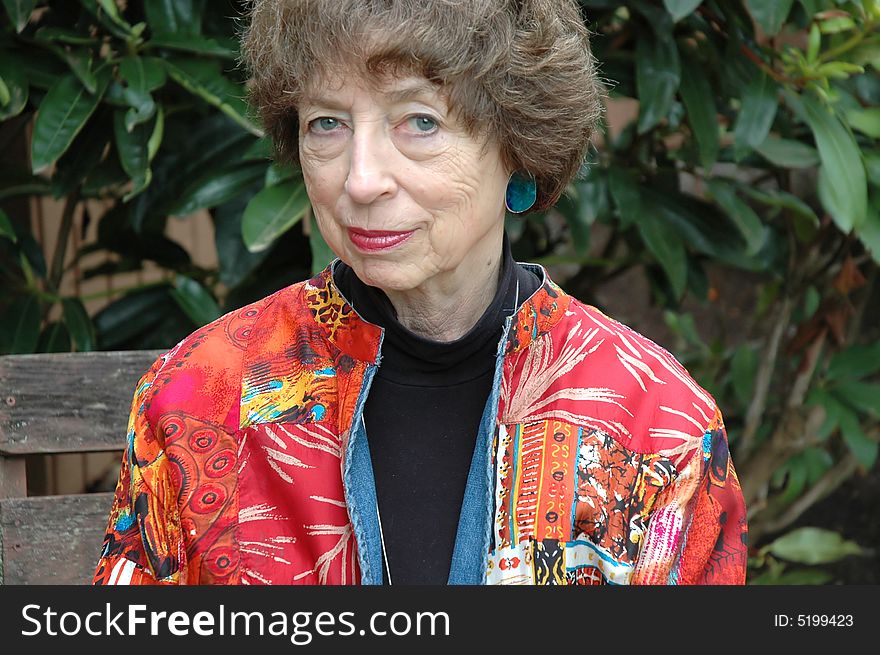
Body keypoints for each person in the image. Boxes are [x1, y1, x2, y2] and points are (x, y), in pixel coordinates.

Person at [93, 0, 747, 586]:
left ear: (519, 144)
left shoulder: (659, 425)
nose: (362, 178)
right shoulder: (201, 393)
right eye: (326, 123)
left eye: (420, 122)